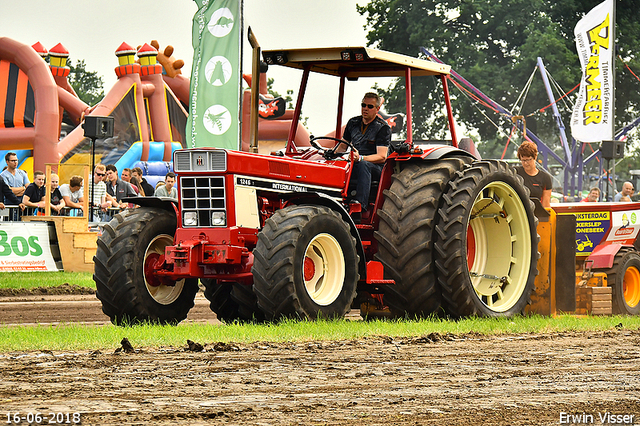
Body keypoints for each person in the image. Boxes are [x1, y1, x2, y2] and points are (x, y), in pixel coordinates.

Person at [341, 92, 391, 210]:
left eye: (370, 106)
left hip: (376, 167)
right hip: (356, 162)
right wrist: (330, 154)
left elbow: (382, 157)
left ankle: (359, 206)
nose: (365, 109)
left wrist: (361, 158)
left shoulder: (383, 128)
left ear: (377, 109)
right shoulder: (353, 123)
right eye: (363, 105)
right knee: (338, 165)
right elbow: (342, 147)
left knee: (364, 165)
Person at [514, 141, 552, 208]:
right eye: (523, 160)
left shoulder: (545, 178)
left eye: (528, 160)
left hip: (536, 214)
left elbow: (546, 205)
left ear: (535, 157)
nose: (525, 163)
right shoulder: (515, 173)